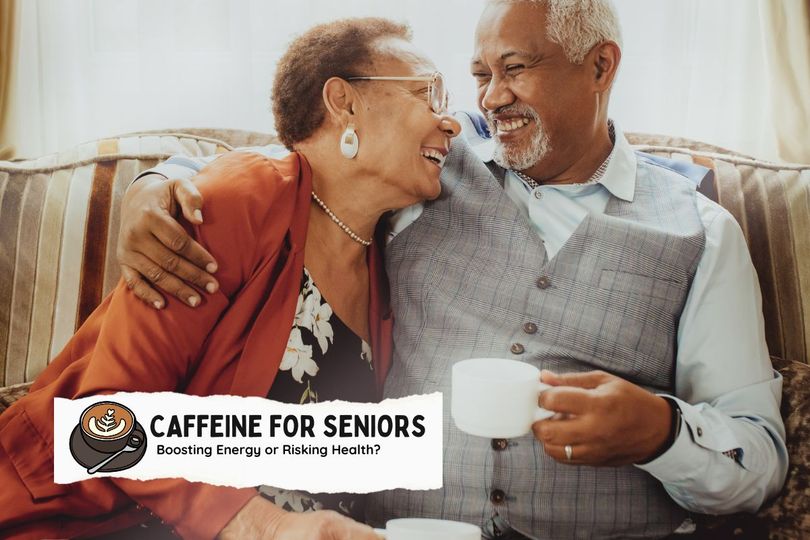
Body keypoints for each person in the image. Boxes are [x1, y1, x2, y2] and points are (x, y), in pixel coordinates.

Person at [117, 0, 788, 538]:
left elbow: (760, 460)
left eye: (516, 68)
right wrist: (157, 184)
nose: (490, 98)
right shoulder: (431, 165)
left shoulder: (700, 231)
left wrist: (661, 432)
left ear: (600, 67)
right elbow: (308, 160)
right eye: (479, 76)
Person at [0, 17, 461, 540]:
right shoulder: (235, 203)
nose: (452, 122)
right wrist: (266, 527)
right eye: (430, 93)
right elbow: (99, 425)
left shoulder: (387, 256)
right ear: (344, 102)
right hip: (86, 519)